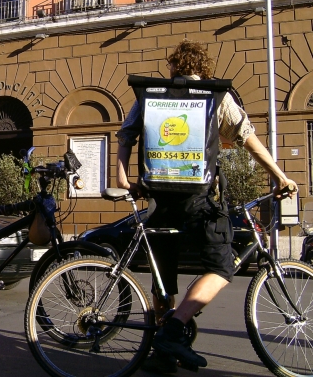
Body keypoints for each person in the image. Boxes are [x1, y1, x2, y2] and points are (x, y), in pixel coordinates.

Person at [115, 39, 297, 373]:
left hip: (159, 198)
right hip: (201, 198)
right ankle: (173, 330)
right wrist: (279, 177)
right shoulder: (216, 97)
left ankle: (164, 351)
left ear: (173, 66)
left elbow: (126, 134)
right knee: (221, 266)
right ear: (203, 67)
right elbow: (248, 139)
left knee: (162, 277)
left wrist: (124, 178)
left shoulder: (151, 95)